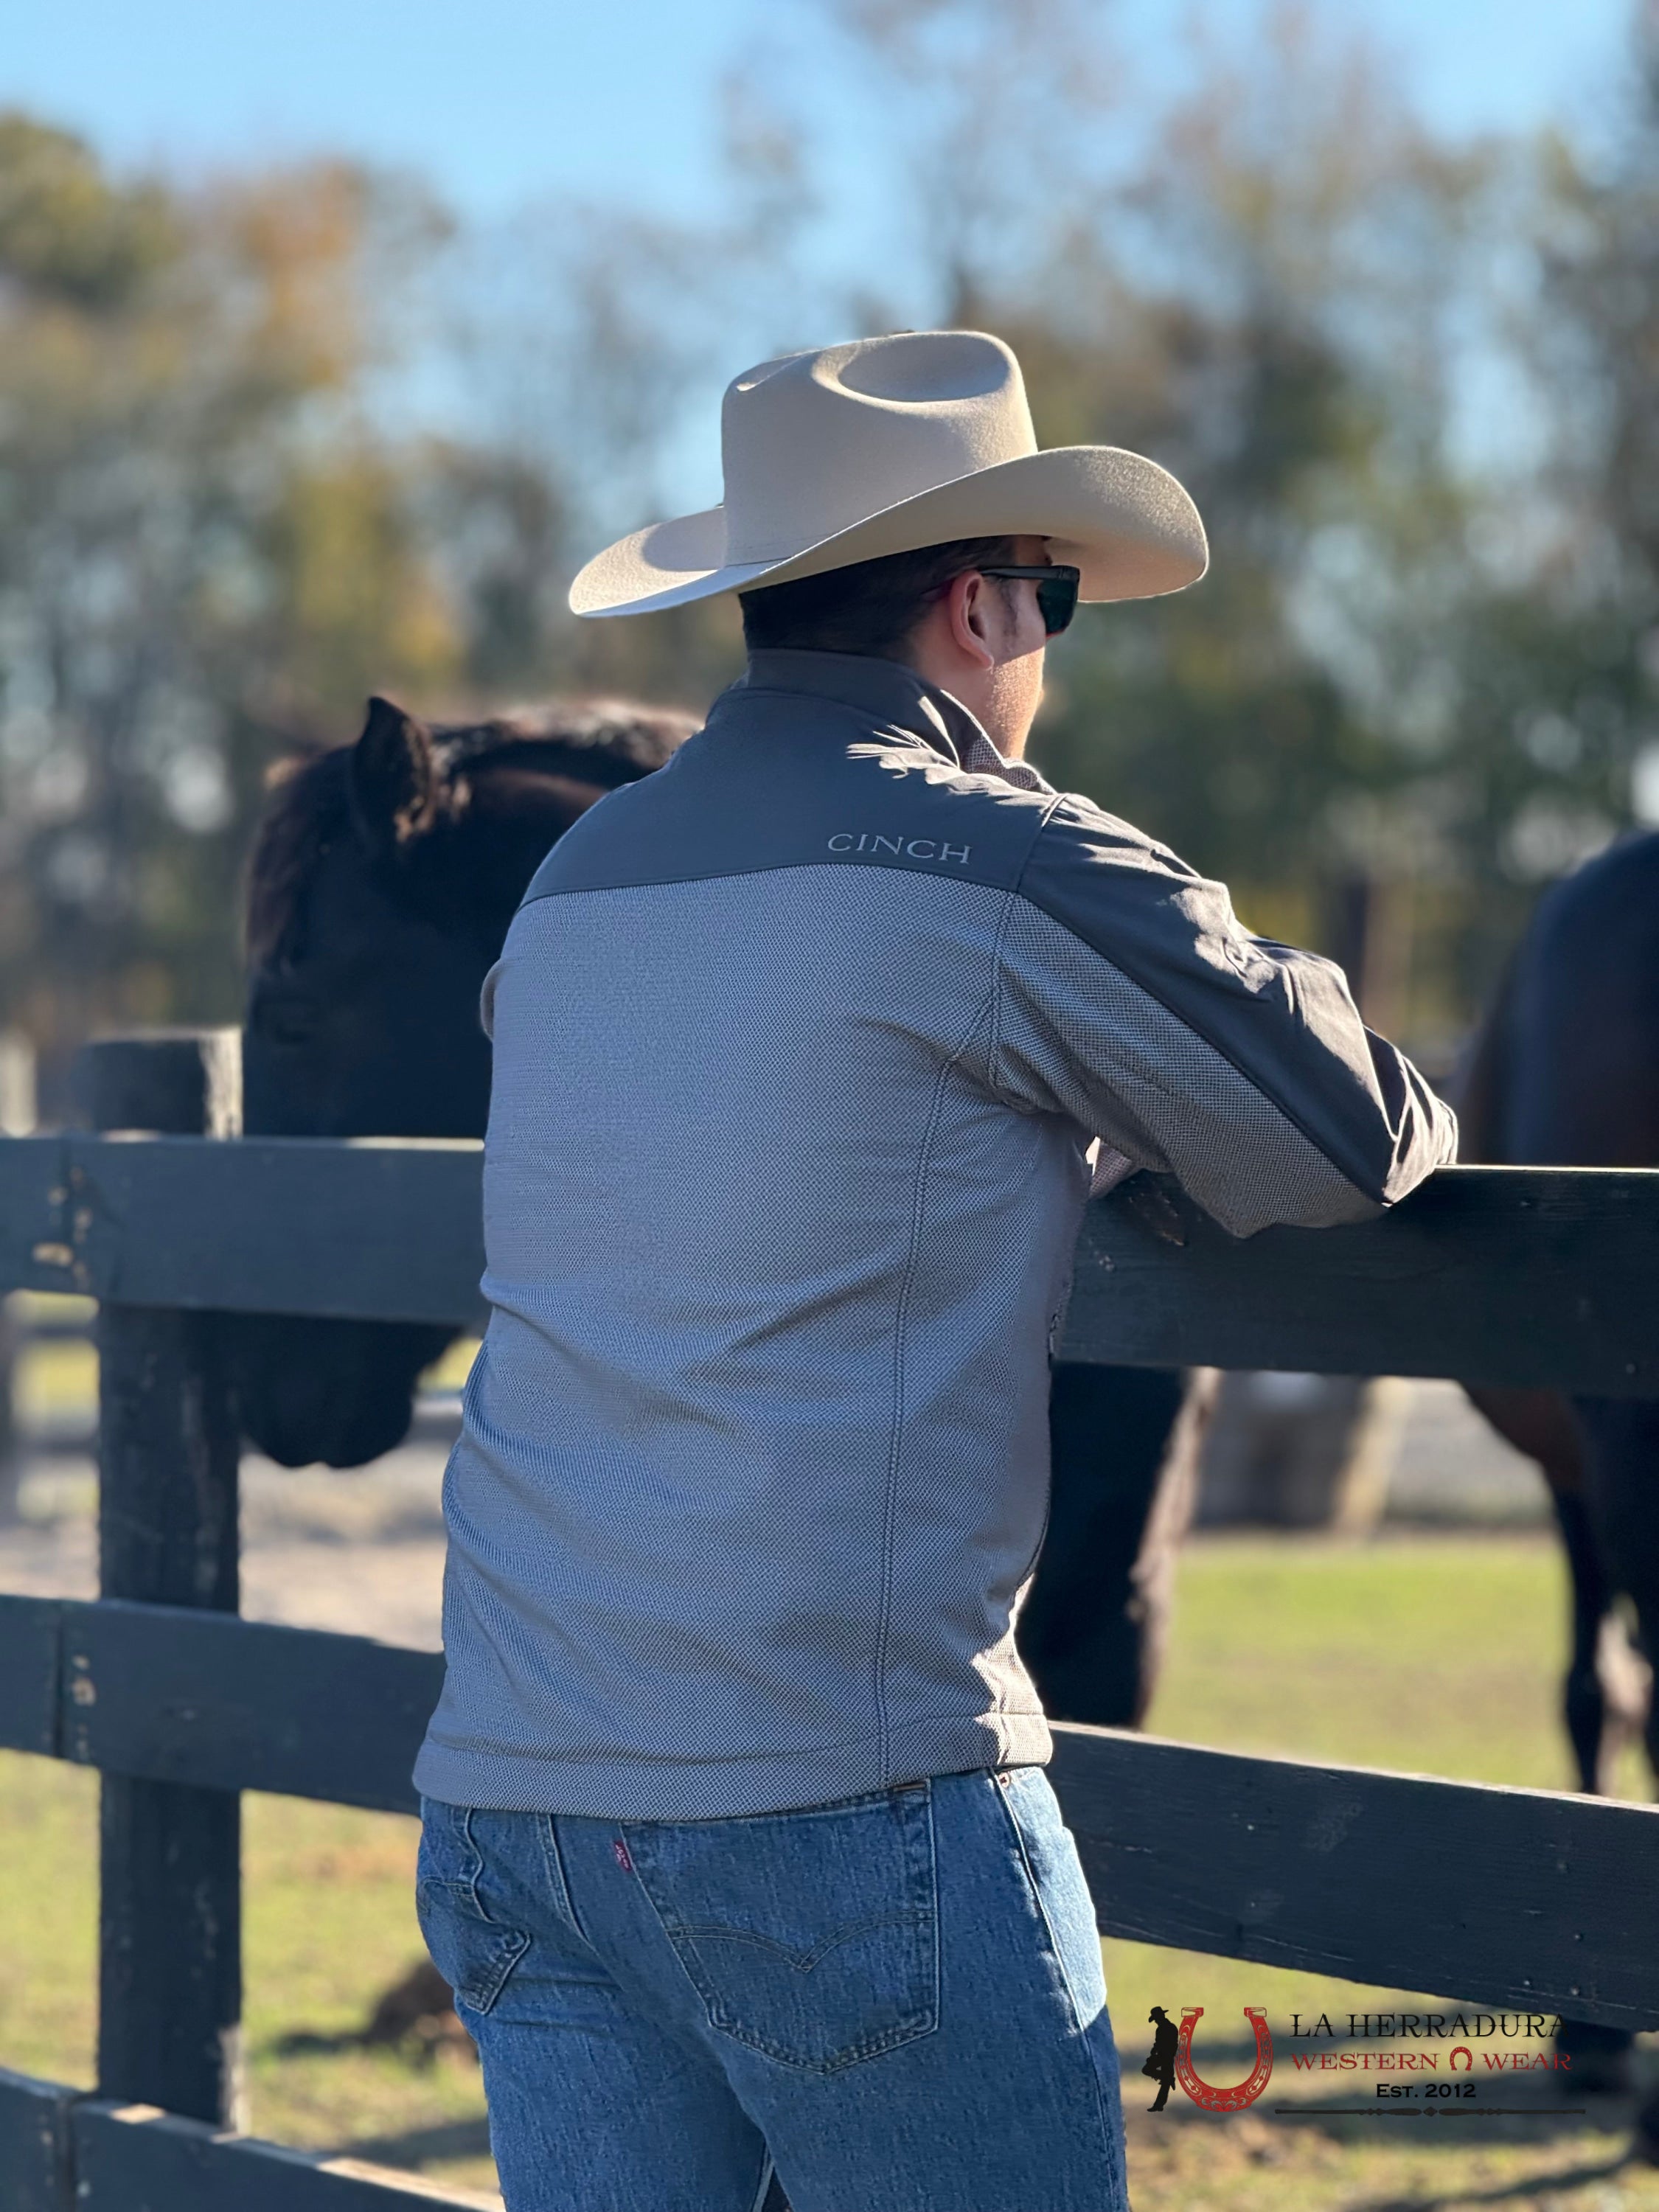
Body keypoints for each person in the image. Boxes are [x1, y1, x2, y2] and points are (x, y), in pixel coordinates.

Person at [411, 330, 1457, 2212]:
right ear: (977, 607)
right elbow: (1340, 1131)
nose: (1049, 641)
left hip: (515, 1793)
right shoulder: (994, 858)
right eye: (1056, 597)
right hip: (837, 1792)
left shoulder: (574, 890)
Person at [1143, 2006, 1180, 2112]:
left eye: (1156, 2019)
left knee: (1147, 2070)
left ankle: (1159, 2104)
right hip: (1167, 2056)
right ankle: (1159, 2104)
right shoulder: (1171, 2027)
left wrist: (1154, 2054)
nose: (1156, 2021)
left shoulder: (1162, 2029)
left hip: (1165, 2056)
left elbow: (1161, 2044)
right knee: (1165, 2082)